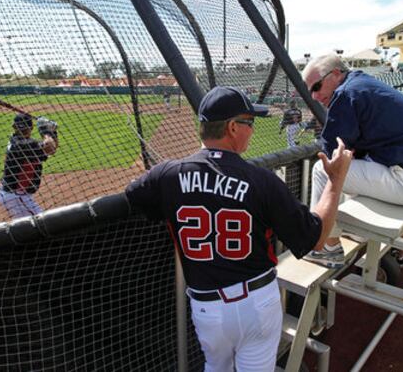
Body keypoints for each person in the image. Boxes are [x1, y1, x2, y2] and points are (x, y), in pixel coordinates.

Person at [125, 86, 352, 372]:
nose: (252, 130)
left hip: (207, 310)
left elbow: (133, 194)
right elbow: (315, 239)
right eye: (249, 123)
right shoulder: (262, 180)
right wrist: (334, 182)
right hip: (256, 304)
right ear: (232, 127)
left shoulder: (167, 175)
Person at [301, 53, 403, 258]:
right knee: (354, 162)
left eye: (316, 87)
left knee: (323, 169)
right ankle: (357, 232)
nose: (314, 96)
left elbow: (331, 153)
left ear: (336, 74)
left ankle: (326, 245)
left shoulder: (345, 93)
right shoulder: (362, 82)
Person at [0, 113, 58, 218]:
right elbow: (50, 147)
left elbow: (52, 148)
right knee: (42, 222)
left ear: (14, 126)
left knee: (25, 224)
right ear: (32, 127)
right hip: (16, 195)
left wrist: (53, 132)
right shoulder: (26, 144)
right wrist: (45, 130)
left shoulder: (18, 141)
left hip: (13, 193)